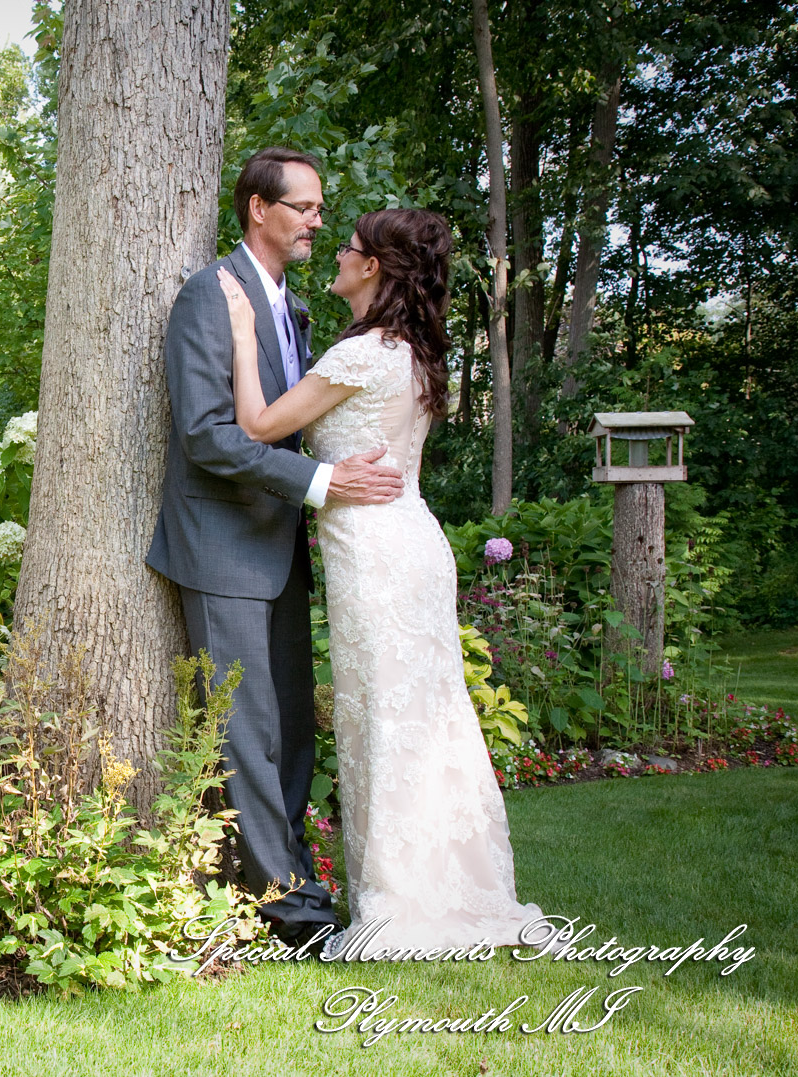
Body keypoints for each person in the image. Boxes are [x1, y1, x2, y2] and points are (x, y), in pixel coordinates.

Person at [216, 205, 544, 954]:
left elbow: (259, 425)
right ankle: (447, 886)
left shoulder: (365, 353)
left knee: (386, 722)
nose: (337, 250)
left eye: (351, 246)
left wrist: (241, 335)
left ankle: (405, 901)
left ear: (373, 269)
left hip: (375, 553)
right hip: (416, 544)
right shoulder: (412, 352)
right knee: (424, 717)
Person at [145, 147, 404, 944]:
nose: (318, 223)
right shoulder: (207, 296)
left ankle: (283, 881)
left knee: (293, 729)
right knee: (246, 730)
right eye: (305, 207)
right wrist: (322, 484)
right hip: (221, 546)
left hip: (281, 548)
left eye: (321, 210)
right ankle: (293, 916)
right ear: (259, 209)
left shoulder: (289, 306)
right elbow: (207, 435)